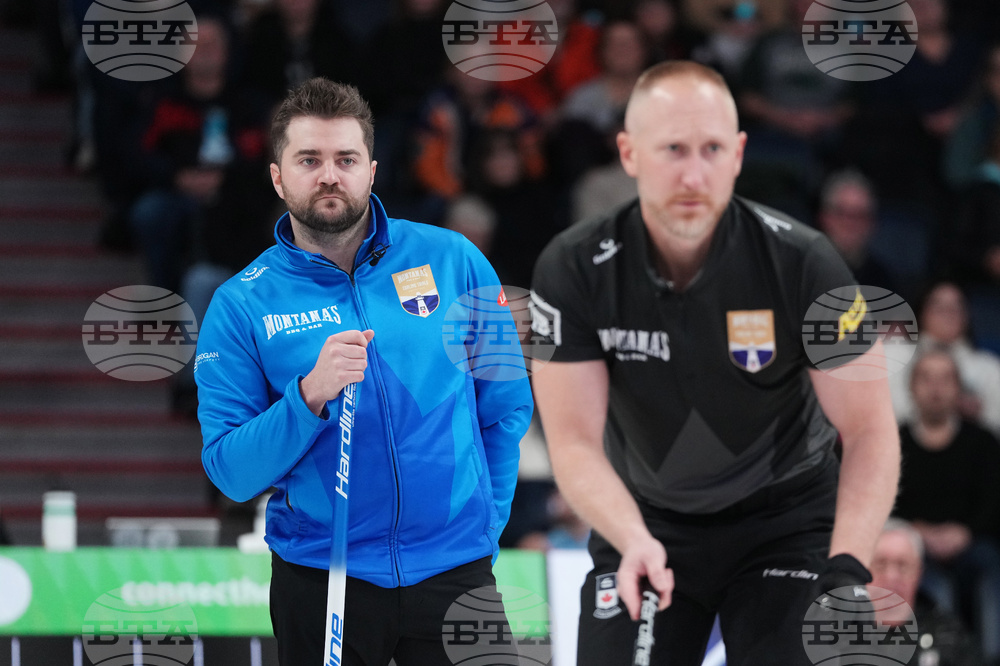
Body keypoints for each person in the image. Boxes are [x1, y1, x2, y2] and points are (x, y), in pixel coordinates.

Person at [529, 61, 901, 665]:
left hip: (786, 521)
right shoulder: (572, 268)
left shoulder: (804, 263)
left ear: (739, 154)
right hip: (647, 519)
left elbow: (869, 430)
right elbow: (572, 442)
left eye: (712, 149)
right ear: (628, 153)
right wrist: (631, 539)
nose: (693, 173)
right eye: (673, 149)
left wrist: (848, 567)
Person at [195, 78, 533, 665]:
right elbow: (229, 472)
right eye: (309, 160)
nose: (330, 175)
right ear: (278, 177)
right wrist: (308, 397)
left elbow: (505, 408)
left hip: (455, 571)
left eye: (345, 159)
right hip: (322, 577)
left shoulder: (454, 260)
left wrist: (483, 525)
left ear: (371, 170)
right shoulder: (241, 303)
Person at [893, 349, 1000, 662]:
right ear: (912, 387)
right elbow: (883, 504)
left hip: (975, 542)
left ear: (958, 388)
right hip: (914, 544)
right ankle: (943, 657)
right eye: (927, 378)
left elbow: (995, 501)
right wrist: (918, 531)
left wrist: (966, 531)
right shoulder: (893, 441)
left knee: (992, 576)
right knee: (933, 584)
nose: (936, 388)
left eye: (945, 379)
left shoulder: (983, 441)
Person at [869, 519, 985, 666]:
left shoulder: (946, 634)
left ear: (918, 574)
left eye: (903, 566)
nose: (892, 577)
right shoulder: (839, 632)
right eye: (880, 564)